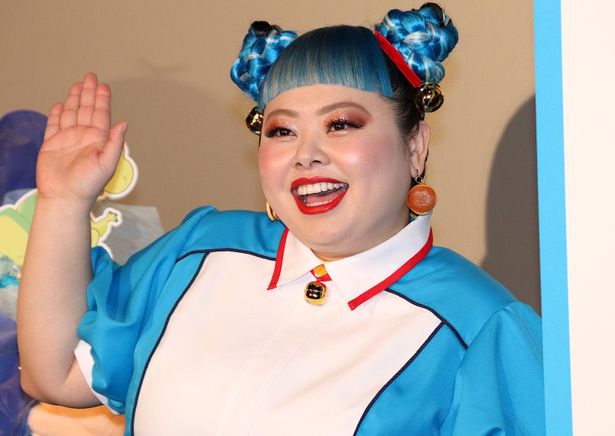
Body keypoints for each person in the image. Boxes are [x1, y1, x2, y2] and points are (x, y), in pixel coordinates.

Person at [17, 3, 545, 435]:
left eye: (341, 124)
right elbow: (57, 374)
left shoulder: (482, 326)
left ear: (415, 146)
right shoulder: (197, 251)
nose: (306, 155)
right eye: (282, 131)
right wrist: (64, 200)